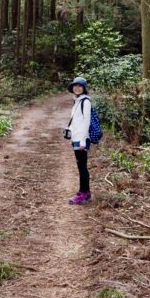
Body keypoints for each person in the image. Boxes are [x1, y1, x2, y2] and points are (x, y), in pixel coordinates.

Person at [66, 76, 92, 205]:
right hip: (76, 138)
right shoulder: (77, 101)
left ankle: (83, 194)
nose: (77, 88)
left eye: (80, 86)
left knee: (82, 167)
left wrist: (82, 141)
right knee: (81, 166)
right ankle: (85, 193)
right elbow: (76, 120)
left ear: (84, 88)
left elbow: (86, 123)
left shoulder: (85, 102)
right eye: (75, 86)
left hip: (82, 140)